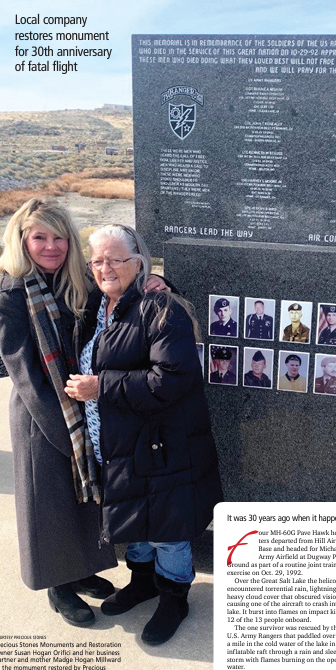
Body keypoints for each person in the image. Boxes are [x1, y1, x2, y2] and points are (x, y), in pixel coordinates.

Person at [65, 224, 223, 646]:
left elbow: (171, 377)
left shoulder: (161, 308)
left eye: (116, 258)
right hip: (114, 444)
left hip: (158, 443)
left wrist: (102, 386)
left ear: (139, 262)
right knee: (136, 521)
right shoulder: (95, 305)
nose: (106, 267)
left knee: (167, 528)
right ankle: (143, 583)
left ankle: (174, 597)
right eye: (97, 260)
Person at [0, 199, 119, 628]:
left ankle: (82, 570)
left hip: (83, 402)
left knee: (83, 496)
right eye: (40, 237)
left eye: (59, 237)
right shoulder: (12, 293)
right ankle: (57, 586)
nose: (50, 246)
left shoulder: (78, 282)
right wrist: (61, 430)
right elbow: (23, 370)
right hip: (40, 414)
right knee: (47, 503)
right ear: (23, 239)